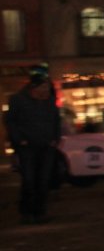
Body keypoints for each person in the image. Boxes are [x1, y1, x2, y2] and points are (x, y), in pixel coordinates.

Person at [4, 64, 62, 225]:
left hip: (46, 145)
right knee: (29, 179)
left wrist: (55, 138)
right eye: (43, 87)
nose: (45, 91)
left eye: (47, 87)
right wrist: (19, 139)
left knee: (43, 180)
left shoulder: (50, 101)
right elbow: (10, 121)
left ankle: (40, 212)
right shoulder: (18, 100)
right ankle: (27, 212)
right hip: (27, 146)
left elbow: (56, 120)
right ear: (34, 87)